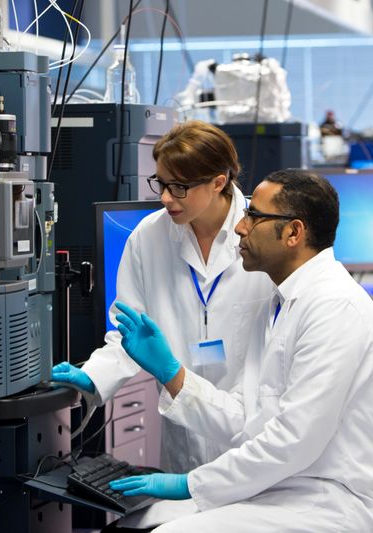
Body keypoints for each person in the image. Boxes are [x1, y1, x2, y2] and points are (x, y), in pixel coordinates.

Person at [109, 169, 373, 532]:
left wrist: (191, 483)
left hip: (329, 500)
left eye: (254, 216)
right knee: (132, 523)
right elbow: (247, 417)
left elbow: (293, 441)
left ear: (293, 232)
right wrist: (173, 375)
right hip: (280, 487)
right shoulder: (281, 305)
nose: (240, 228)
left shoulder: (334, 309)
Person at [50, 121, 273, 503]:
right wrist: (92, 376)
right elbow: (128, 336)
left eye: (179, 187)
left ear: (219, 182)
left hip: (251, 441)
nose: (166, 198)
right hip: (182, 440)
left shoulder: (260, 236)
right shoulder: (148, 237)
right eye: (161, 183)